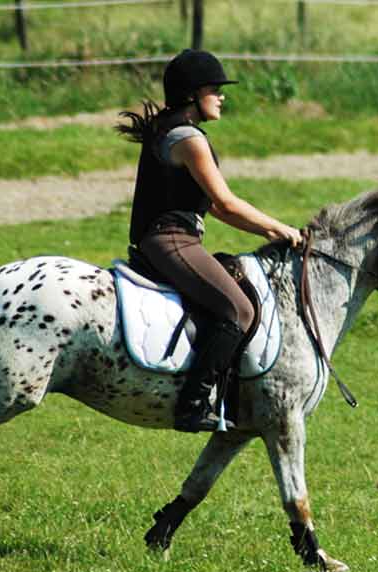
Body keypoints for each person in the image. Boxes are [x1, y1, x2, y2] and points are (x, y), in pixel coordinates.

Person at [115, 50, 306, 432]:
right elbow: (226, 203)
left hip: (167, 240)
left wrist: (268, 230)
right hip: (171, 241)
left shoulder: (170, 129)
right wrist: (281, 228)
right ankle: (193, 404)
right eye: (214, 89)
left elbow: (214, 207)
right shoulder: (189, 138)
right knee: (239, 309)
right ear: (192, 94)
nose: (221, 96)